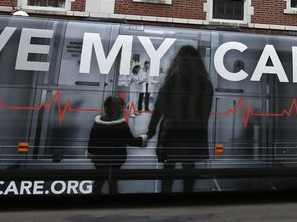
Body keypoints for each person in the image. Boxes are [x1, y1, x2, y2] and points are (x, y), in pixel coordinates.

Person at [147, 45, 214, 193]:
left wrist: (151, 129)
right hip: (192, 134)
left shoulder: (171, 81)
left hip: (172, 132)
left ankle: (166, 194)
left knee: (169, 165)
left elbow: (159, 107)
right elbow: (205, 115)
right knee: (188, 166)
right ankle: (187, 194)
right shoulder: (205, 83)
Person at [87, 96, 148, 195]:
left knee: (98, 181)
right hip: (115, 160)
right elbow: (131, 141)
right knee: (113, 183)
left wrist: (91, 153)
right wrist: (144, 138)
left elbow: (92, 141)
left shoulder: (98, 123)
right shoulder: (121, 125)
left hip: (100, 160)